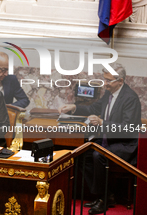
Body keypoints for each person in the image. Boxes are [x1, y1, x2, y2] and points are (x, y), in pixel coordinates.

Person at [59, 63, 141, 215]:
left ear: (120, 81)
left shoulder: (130, 98)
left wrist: (102, 122)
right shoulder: (110, 93)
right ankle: (106, 195)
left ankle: (103, 198)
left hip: (125, 144)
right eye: (104, 79)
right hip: (109, 141)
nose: (105, 84)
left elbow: (126, 129)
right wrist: (74, 107)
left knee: (98, 155)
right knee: (82, 153)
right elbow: (94, 108)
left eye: (109, 81)